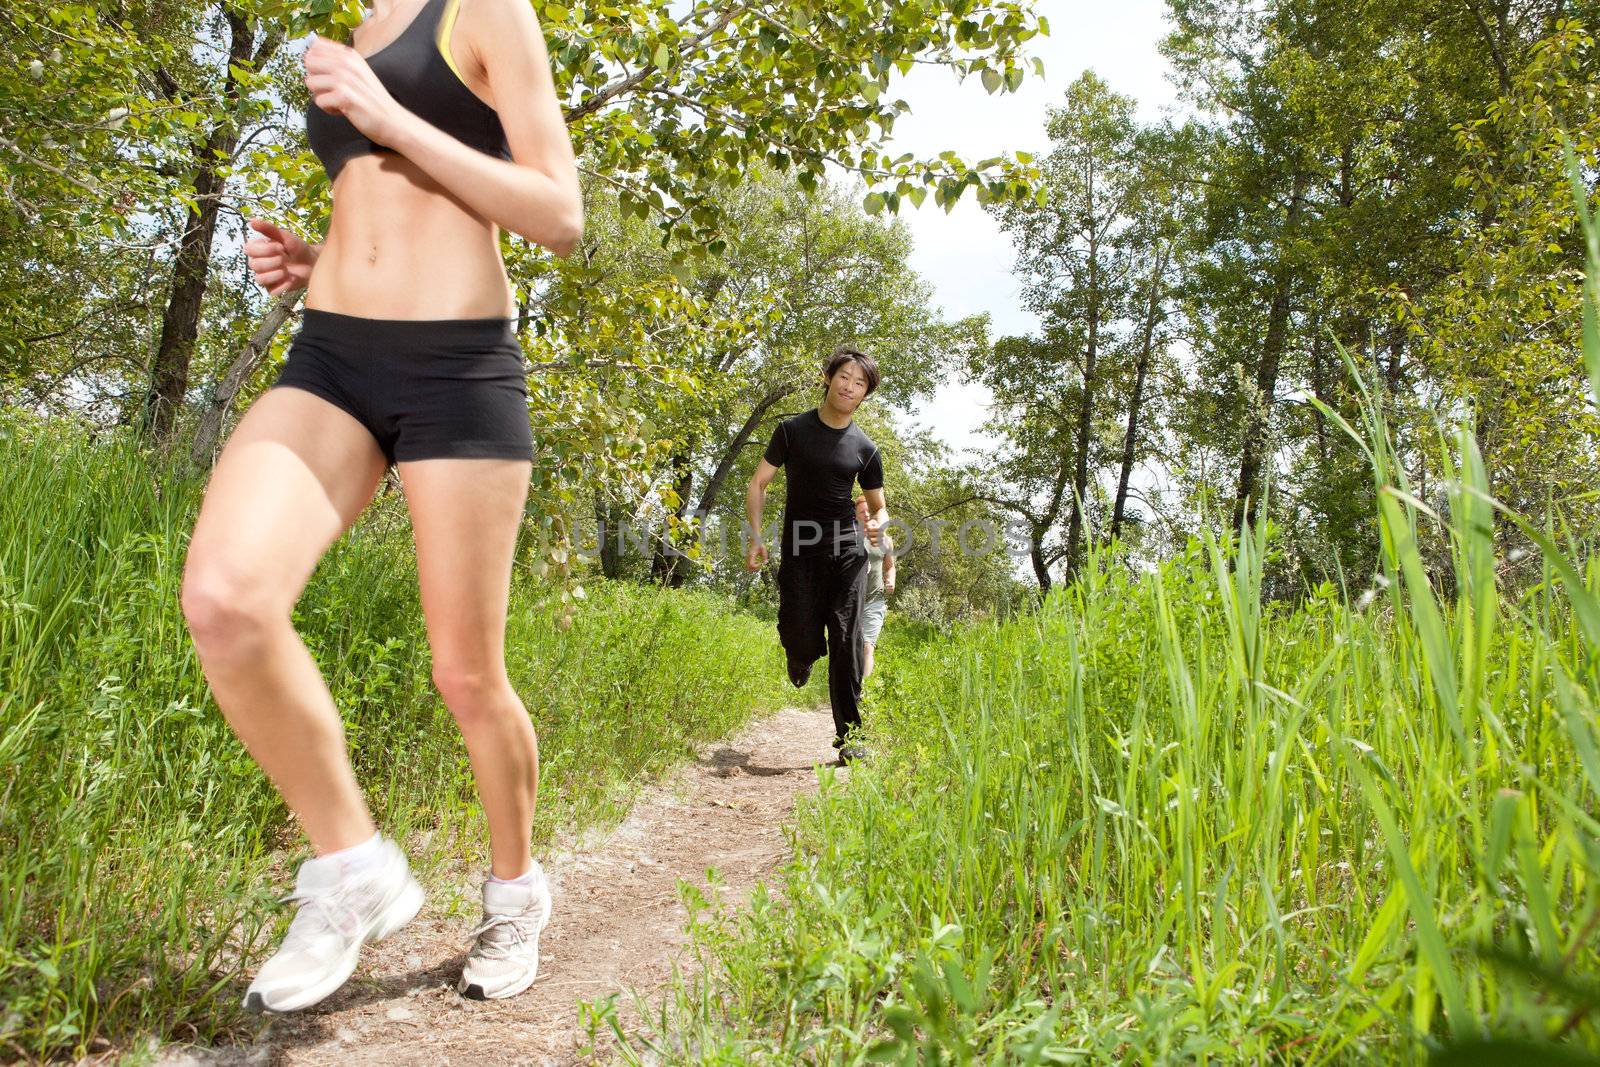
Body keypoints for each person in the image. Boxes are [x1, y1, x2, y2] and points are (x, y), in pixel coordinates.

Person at [180, 0, 582, 1012]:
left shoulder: (487, 9)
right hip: (331, 355)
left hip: (459, 370)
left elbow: (557, 215)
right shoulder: (351, 25)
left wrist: (388, 113)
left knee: (465, 671)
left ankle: (515, 891)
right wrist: (321, 259)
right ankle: (354, 868)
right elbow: (393, 206)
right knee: (226, 600)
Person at [744, 347, 887, 763]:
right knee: (798, 631)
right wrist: (757, 537)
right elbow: (758, 485)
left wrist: (877, 523)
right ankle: (801, 655)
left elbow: (878, 506)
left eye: (860, 383)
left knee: (847, 637)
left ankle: (851, 738)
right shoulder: (791, 431)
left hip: (847, 550)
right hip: (800, 548)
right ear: (828, 378)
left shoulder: (866, 448)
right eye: (845, 377)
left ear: (865, 395)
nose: (850, 386)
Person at [854, 495, 896, 678]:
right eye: (861, 511)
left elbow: (890, 567)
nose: (865, 514)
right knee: (850, 645)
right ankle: (849, 682)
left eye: (869, 511)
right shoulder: (850, 537)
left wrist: (891, 580)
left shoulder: (885, 541)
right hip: (852, 602)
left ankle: (862, 689)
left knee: (868, 645)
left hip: (874, 600)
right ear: (855, 514)